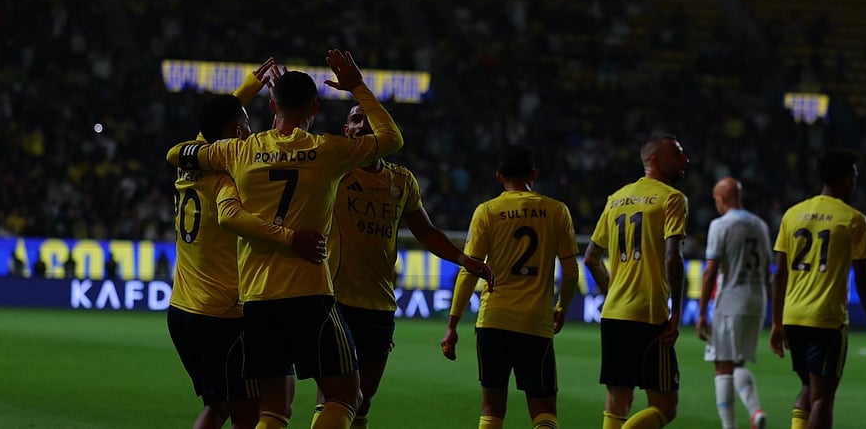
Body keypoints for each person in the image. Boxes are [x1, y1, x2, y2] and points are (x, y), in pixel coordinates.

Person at [167, 49, 404, 429]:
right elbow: (392, 139)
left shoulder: (238, 151)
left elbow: (179, 153)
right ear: (314, 108)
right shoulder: (328, 150)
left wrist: (243, 95)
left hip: (257, 299)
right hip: (309, 292)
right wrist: (357, 86)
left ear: (272, 103)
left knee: (273, 410)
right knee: (347, 396)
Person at [315, 105, 494, 428]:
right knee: (335, 397)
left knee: (363, 400)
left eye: (370, 120)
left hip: (379, 305)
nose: (364, 125)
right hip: (334, 299)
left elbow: (424, 231)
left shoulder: (401, 180)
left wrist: (463, 259)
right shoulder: (334, 170)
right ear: (346, 130)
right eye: (356, 119)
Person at [168, 58, 324, 429]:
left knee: (217, 407)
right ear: (237, 131)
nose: (252, 131)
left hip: (183, 309)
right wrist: (290, 239)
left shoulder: (190, 161)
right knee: (250, 414)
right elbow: (230, 216)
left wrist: (249, 88)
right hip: (222, 314)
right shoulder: (227, 176)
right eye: (246, 125)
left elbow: (211, 126)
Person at [441, 145, 579, 429]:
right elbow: (571, 271)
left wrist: (453, 324)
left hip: (494, 320)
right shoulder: (557, 210)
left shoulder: (487, 211)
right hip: (535, 322)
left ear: (499, 176)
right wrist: (561, 307)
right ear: (534, 174)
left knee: (491, 408)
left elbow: (470, 270)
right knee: (544, 409)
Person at [769, 149, 866, 429]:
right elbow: (862, 278)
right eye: (854, 176)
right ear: (845, 178)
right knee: (823, 397)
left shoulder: (792, 214)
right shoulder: (853, 219)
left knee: (809, 388)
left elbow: (780, 274)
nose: (855, 183)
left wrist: (776, 321)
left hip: (793, 317)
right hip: (826, 319)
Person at [583, 135, 690, 429]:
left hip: (615, 314)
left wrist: (613, 291)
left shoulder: (616, 198)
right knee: (665, 407)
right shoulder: (672, 199)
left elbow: (591, 257)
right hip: (649, 314)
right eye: (677, 155)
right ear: (655, 160)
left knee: (618, 399)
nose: (685, 160)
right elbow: (672, 259)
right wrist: (677, 313)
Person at [696, 177, 770, 429]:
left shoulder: (720, 225)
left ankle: (740, 420)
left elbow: (710, 271)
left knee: (722, 365)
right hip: (757, 301)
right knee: (738, 361)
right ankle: (755, 412)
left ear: (723, 199)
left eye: (716, 200)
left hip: (730, 300)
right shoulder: (760, 225)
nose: (716, 204)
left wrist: (702, 312)